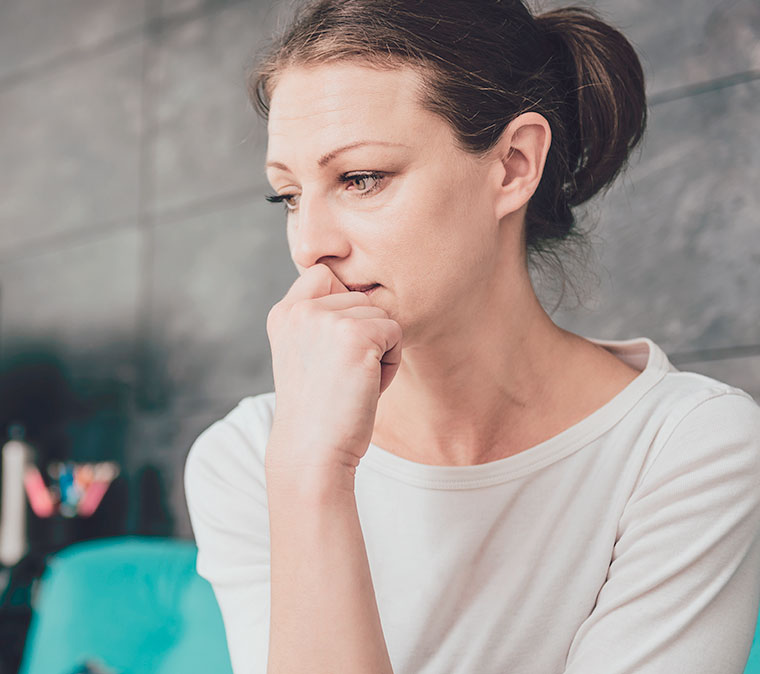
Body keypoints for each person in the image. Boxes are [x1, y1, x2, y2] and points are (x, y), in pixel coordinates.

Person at [181, 1, 760, 673]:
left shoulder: (689, 449)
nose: (310, 245)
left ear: (513, 164)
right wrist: (311, 475)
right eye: (289, 195)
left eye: (360, 178)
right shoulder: (249, 457)